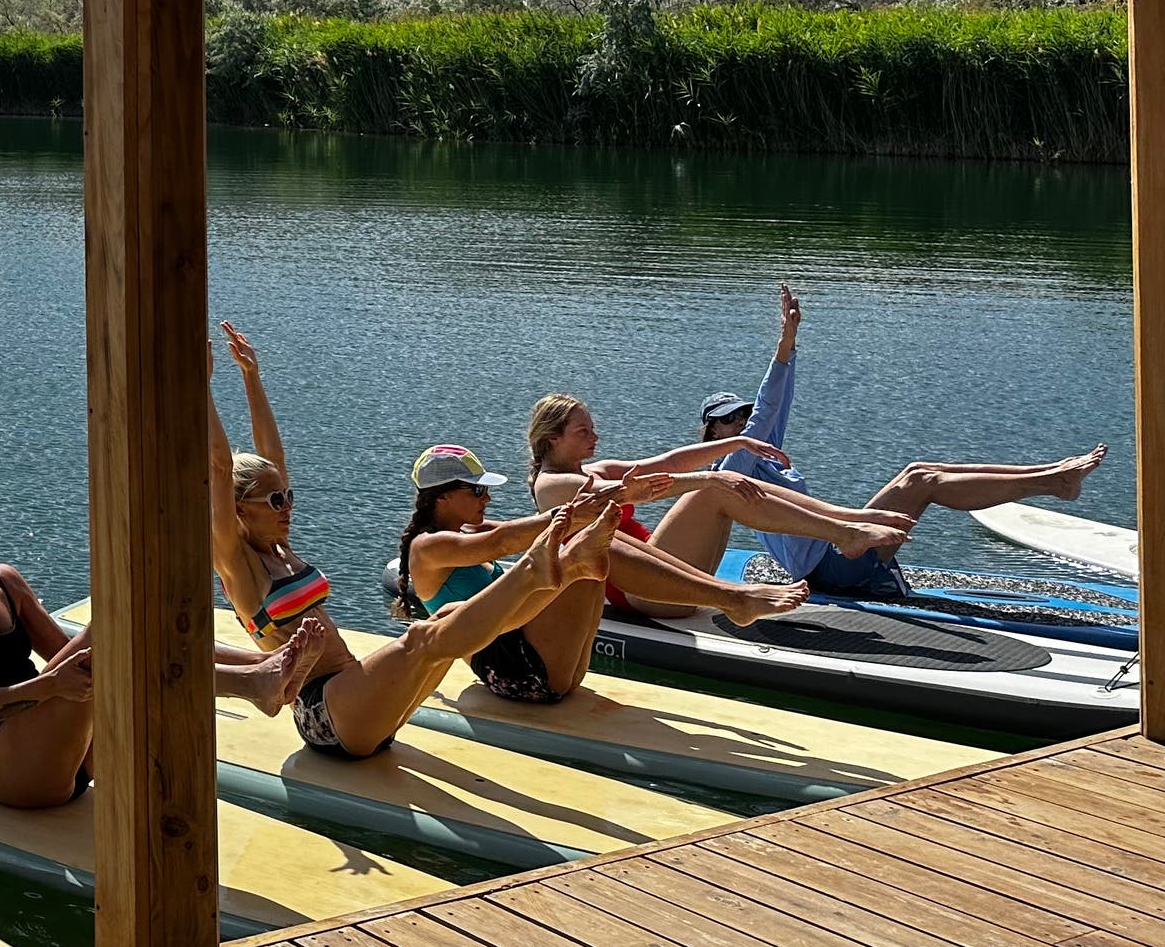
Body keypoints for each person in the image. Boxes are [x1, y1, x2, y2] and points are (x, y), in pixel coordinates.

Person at [209, 325, 623, 760]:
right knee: (422, 638)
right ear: (238, 510)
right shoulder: (239, 565)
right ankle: (542, 572)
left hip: (360, 696)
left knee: (446, 615)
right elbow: (220, 468)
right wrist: (201, 386)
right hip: (325, 713)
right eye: (276, 500)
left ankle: (560, 570)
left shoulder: (279, 548)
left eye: (288, 496)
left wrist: (252, 378)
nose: (287, 506)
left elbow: (274, 458)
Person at [0, 477, 327, 809]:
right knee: (109, 626)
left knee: (127, 617)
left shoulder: (1, 580)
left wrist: (87, 655)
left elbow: (59, 650)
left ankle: (260, 665)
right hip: (12, 775)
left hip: (75, 755)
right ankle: (252, 683)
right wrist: (51, 686)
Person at [701, 286, 1107, 595]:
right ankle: (1053, 483)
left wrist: (790, 348)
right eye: (728, 419)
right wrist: (781, 345)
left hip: (838, 551)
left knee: (920, 471)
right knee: (920, 484)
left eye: (741, 413)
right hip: (828, 570)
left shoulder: (758, 454)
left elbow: (779, 400)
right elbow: (765, 412)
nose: (740, 420)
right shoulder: (728, 470)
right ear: (712, 432)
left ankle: (1051, 474)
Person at [528, 366, 915, 618]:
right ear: (552, 439)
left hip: (671, 577)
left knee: (726, 485)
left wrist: (737, 445)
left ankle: (849, 521)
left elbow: (670, 463)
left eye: (593, 428)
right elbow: (637, 492)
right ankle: (844, 533)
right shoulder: (552, 486)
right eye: (583, 432)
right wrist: (710, 479)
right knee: (714, 490)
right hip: (641, 593)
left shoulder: (593, 468)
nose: (595, 437)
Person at [395, 446, 629, 703]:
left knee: (585, 556)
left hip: (543, 667)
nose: (487, 499)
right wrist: (570, 515)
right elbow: (502, 542)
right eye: (478, 490)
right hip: (510, 669)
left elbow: (515, 531)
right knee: (575, 560)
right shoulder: (427, 547)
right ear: (442, 497)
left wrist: (583, 509)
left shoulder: (469, 532)